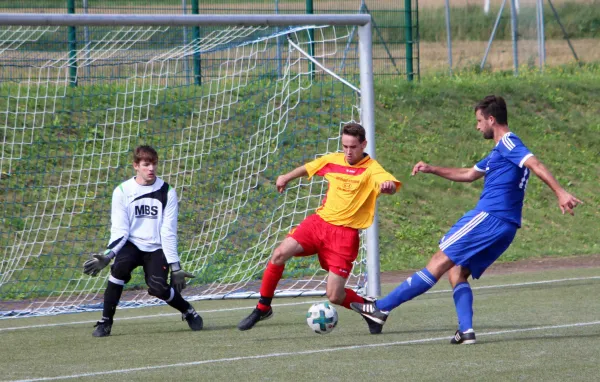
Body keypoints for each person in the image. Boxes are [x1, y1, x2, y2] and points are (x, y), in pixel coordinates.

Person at [351, 95, 582, 344]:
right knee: (457, 272)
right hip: (506, 227)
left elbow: (534, 162)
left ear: (491, 120)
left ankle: (380, 309)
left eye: (480, 120)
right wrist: (432, 168)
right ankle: (466, 331)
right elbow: (470, 174)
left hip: (490, 217)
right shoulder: (498, 153)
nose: (477, 126)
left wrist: (560, 192)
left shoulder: (509, 143)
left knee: (439, 260)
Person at [237, 123, 401, 334]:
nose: (348, 152)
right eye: (345, 146)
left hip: (344, 236)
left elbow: (387, 182)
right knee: (279, 254)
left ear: (364, 145)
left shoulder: (372, 169)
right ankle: (263, 307)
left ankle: (370, 309)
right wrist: (286, 177)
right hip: (318, 224)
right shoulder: (333, 159)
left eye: (353, 147)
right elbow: (309, 167)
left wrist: (388, 186)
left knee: (334, 295)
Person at [83, 145, 203, 337]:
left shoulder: (167, 192)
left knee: (158, 288)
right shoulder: (122, 191)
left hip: (156, 247)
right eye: (146, 164)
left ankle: (187, 310)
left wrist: (176, 267)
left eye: (154, 164)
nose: (151, 169)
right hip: (131, 244)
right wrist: (109, 255)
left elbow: (168, 232)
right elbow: (120, 230)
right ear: (136, 166)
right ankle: (105, 322)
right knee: (119, 269)